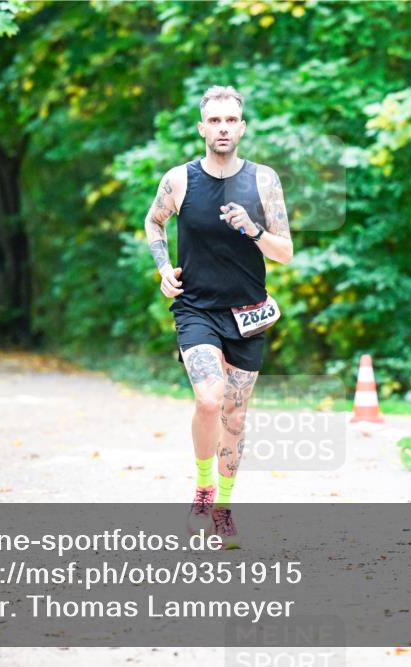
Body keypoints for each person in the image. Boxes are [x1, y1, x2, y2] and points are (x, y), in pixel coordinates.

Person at [143, 85, 294, 545]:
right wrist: (164, 268)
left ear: (242, 128)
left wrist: (253, 230)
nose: (223, 128)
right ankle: (204, 489)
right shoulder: (179, 180)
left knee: (235, 415)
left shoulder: (264, 181)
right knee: (209, 400)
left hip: (248, 313)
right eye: (215, 120)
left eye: (231, 120)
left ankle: (224, 507)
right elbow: (154, 221)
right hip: (196, 309)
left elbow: (285, 252)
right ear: (201, 128)